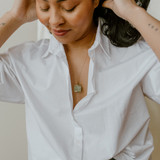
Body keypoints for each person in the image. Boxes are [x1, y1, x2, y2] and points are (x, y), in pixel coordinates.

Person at [0, 0, 160, 159]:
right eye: (45, 7)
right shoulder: (25, 63)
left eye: (69, 8)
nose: (55, 20)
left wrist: (133, 12)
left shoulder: (136, 56)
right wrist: (15, 16)